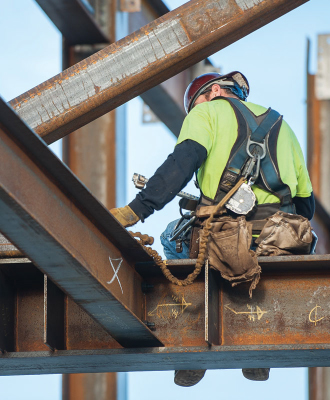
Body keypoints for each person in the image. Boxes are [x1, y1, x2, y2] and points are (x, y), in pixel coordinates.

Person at [110, 71, 315, 387]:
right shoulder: (283, 126)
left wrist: (138, 209)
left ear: (214, 91)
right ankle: (256, 348)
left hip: (226, 240)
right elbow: (306, 206)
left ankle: (194, 341)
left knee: (170, 236)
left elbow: (182, 162)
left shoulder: (206, 112)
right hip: (282, 239)